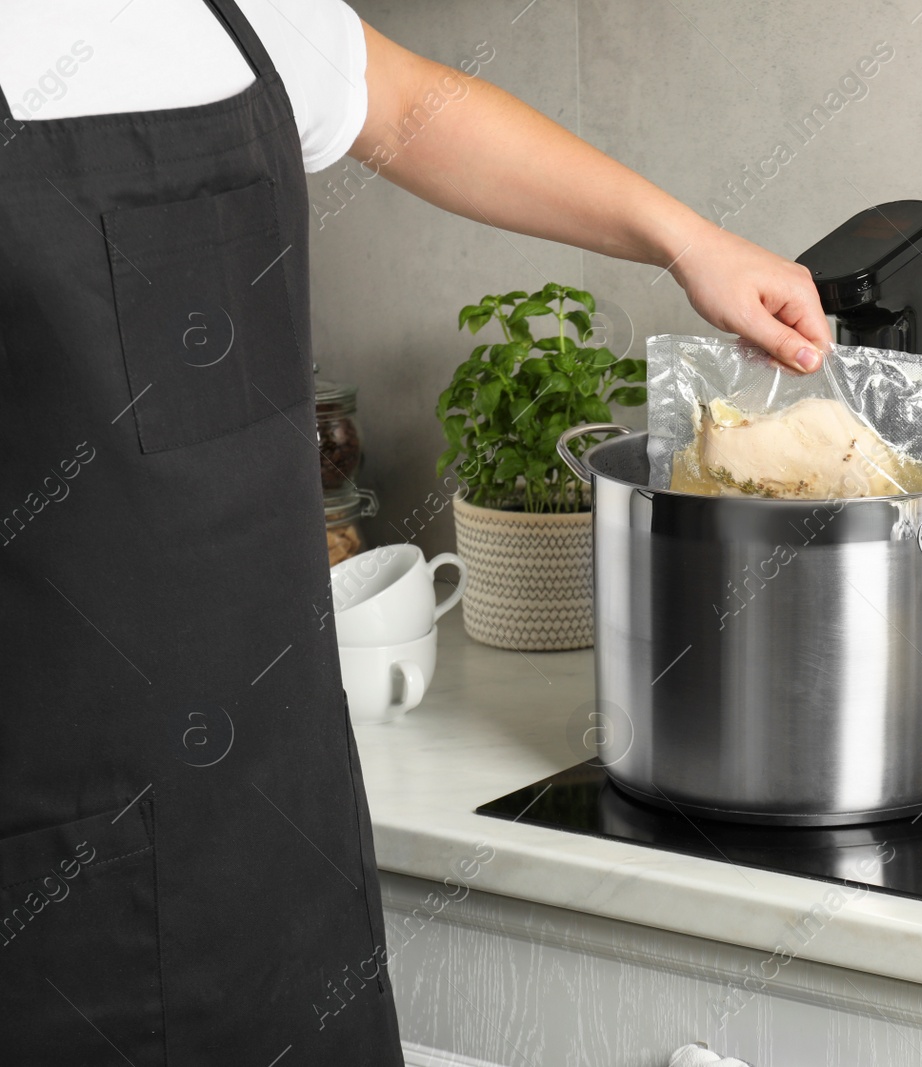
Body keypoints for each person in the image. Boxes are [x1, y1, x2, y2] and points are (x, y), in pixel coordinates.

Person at [0, 1, 830, 1061]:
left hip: (276, 820)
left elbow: (406, 103)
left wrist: (685, 240)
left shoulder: (232, 17)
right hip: (51, 843)